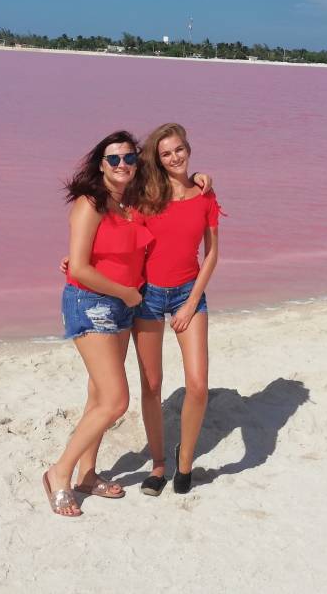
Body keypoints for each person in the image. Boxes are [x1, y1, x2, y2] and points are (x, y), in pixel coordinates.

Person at [43, 130, 150, 518]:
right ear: (100, 165)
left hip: (122, 304)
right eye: (113, 159)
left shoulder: (133, 204)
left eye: (129, 158)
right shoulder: (91, 204)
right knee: (116, 401)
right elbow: (82, 268)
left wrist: (204, 179)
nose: (122, 165)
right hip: (92, 303)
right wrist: (125, 292)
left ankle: (88, 475)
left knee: (97, 396)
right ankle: (60, 472)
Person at [132, 122, 220, 496]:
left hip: (190, 292)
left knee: (198, 386)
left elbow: (212, 254)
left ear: (188, 148)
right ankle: (158, 464)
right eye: (166, 153)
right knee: (152, 386)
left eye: (179, 149)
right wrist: (77, 259)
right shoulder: (147, 195)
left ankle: (184, 464)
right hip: (148, 295)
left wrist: (188, 304)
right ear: (159, 158)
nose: (174, 157)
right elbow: (116, 233)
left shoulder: (205, 194)